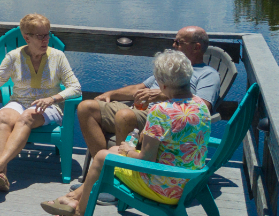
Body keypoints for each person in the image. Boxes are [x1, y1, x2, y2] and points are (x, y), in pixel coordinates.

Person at [41, 49, 211, 216]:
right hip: (189, 181)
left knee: (101, 158)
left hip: (164, 186)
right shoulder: (200, 105)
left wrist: (129, 151)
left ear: (162, 84)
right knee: (112, 151)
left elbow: (146, 160)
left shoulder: (161, 111)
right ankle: (73, 199)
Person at [78, 25, 219, 162]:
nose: (173, 45)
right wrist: (111, 94)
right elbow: (139, 88)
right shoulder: (173, 67)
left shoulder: (208, 75)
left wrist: (160, 95)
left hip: (164, 119)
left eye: (179, 42)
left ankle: (117, 171)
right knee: (86, 108)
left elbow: (202, 106)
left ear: (197, 47)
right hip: (139, 109)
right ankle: (101, 169)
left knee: (125, 116)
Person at [0, 13, 81, 192]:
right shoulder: (14, 56)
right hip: (19, 101)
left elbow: (76, 88)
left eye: (47, 34)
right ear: (26, 37)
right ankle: (2, 176)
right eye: (40, 36)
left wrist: (53, 99)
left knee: (27, 117)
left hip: (49, 106)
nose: (45, 39)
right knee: (2, 115)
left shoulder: (57, 57)